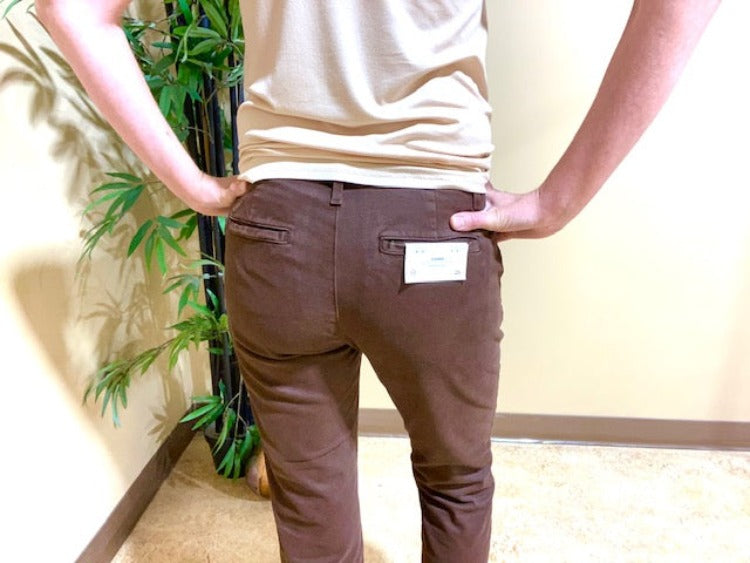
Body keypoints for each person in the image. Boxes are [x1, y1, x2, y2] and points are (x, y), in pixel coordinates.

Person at [36, 1, 720, 561]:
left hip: (279, 232)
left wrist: (192, 185)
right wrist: (557, 201)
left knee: (310, 498)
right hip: (435, 228)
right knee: (455, 482)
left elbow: (70, 10)